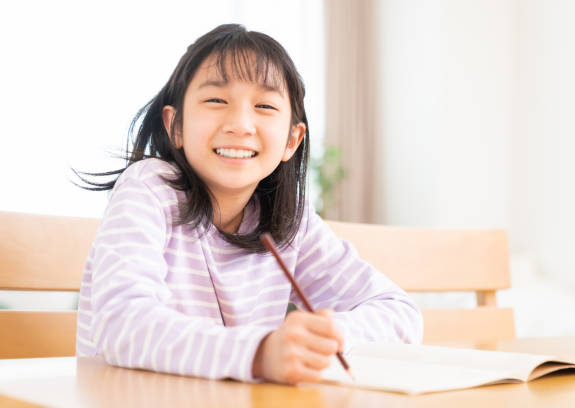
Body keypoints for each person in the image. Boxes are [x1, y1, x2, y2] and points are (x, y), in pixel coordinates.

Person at [75, 23, 423, 385]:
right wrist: (258, 354)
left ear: (292, 139)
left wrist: (331, 333)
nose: (240, 124)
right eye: (216, 100)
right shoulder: (149, 188)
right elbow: (123, 325)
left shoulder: (291, 220)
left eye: (264, 105)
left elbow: (401, 314)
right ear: (175, 125)